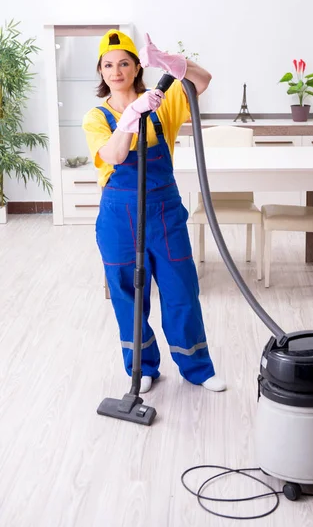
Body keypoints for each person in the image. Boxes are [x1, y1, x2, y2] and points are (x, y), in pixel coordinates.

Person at [83, 29, 226, 394]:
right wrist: (131, 114)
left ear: (136, 68)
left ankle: (197, 367)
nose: (117, 71)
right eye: (109, 65)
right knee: (128, 295)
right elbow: (115, 155)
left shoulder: (163, 101)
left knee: (181, 290)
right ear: (101, 71)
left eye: (125, 63)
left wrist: (170, 61)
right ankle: (142, 368)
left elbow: (202, 81)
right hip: (119, 219)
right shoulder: (96, 117)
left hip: (164, 215)